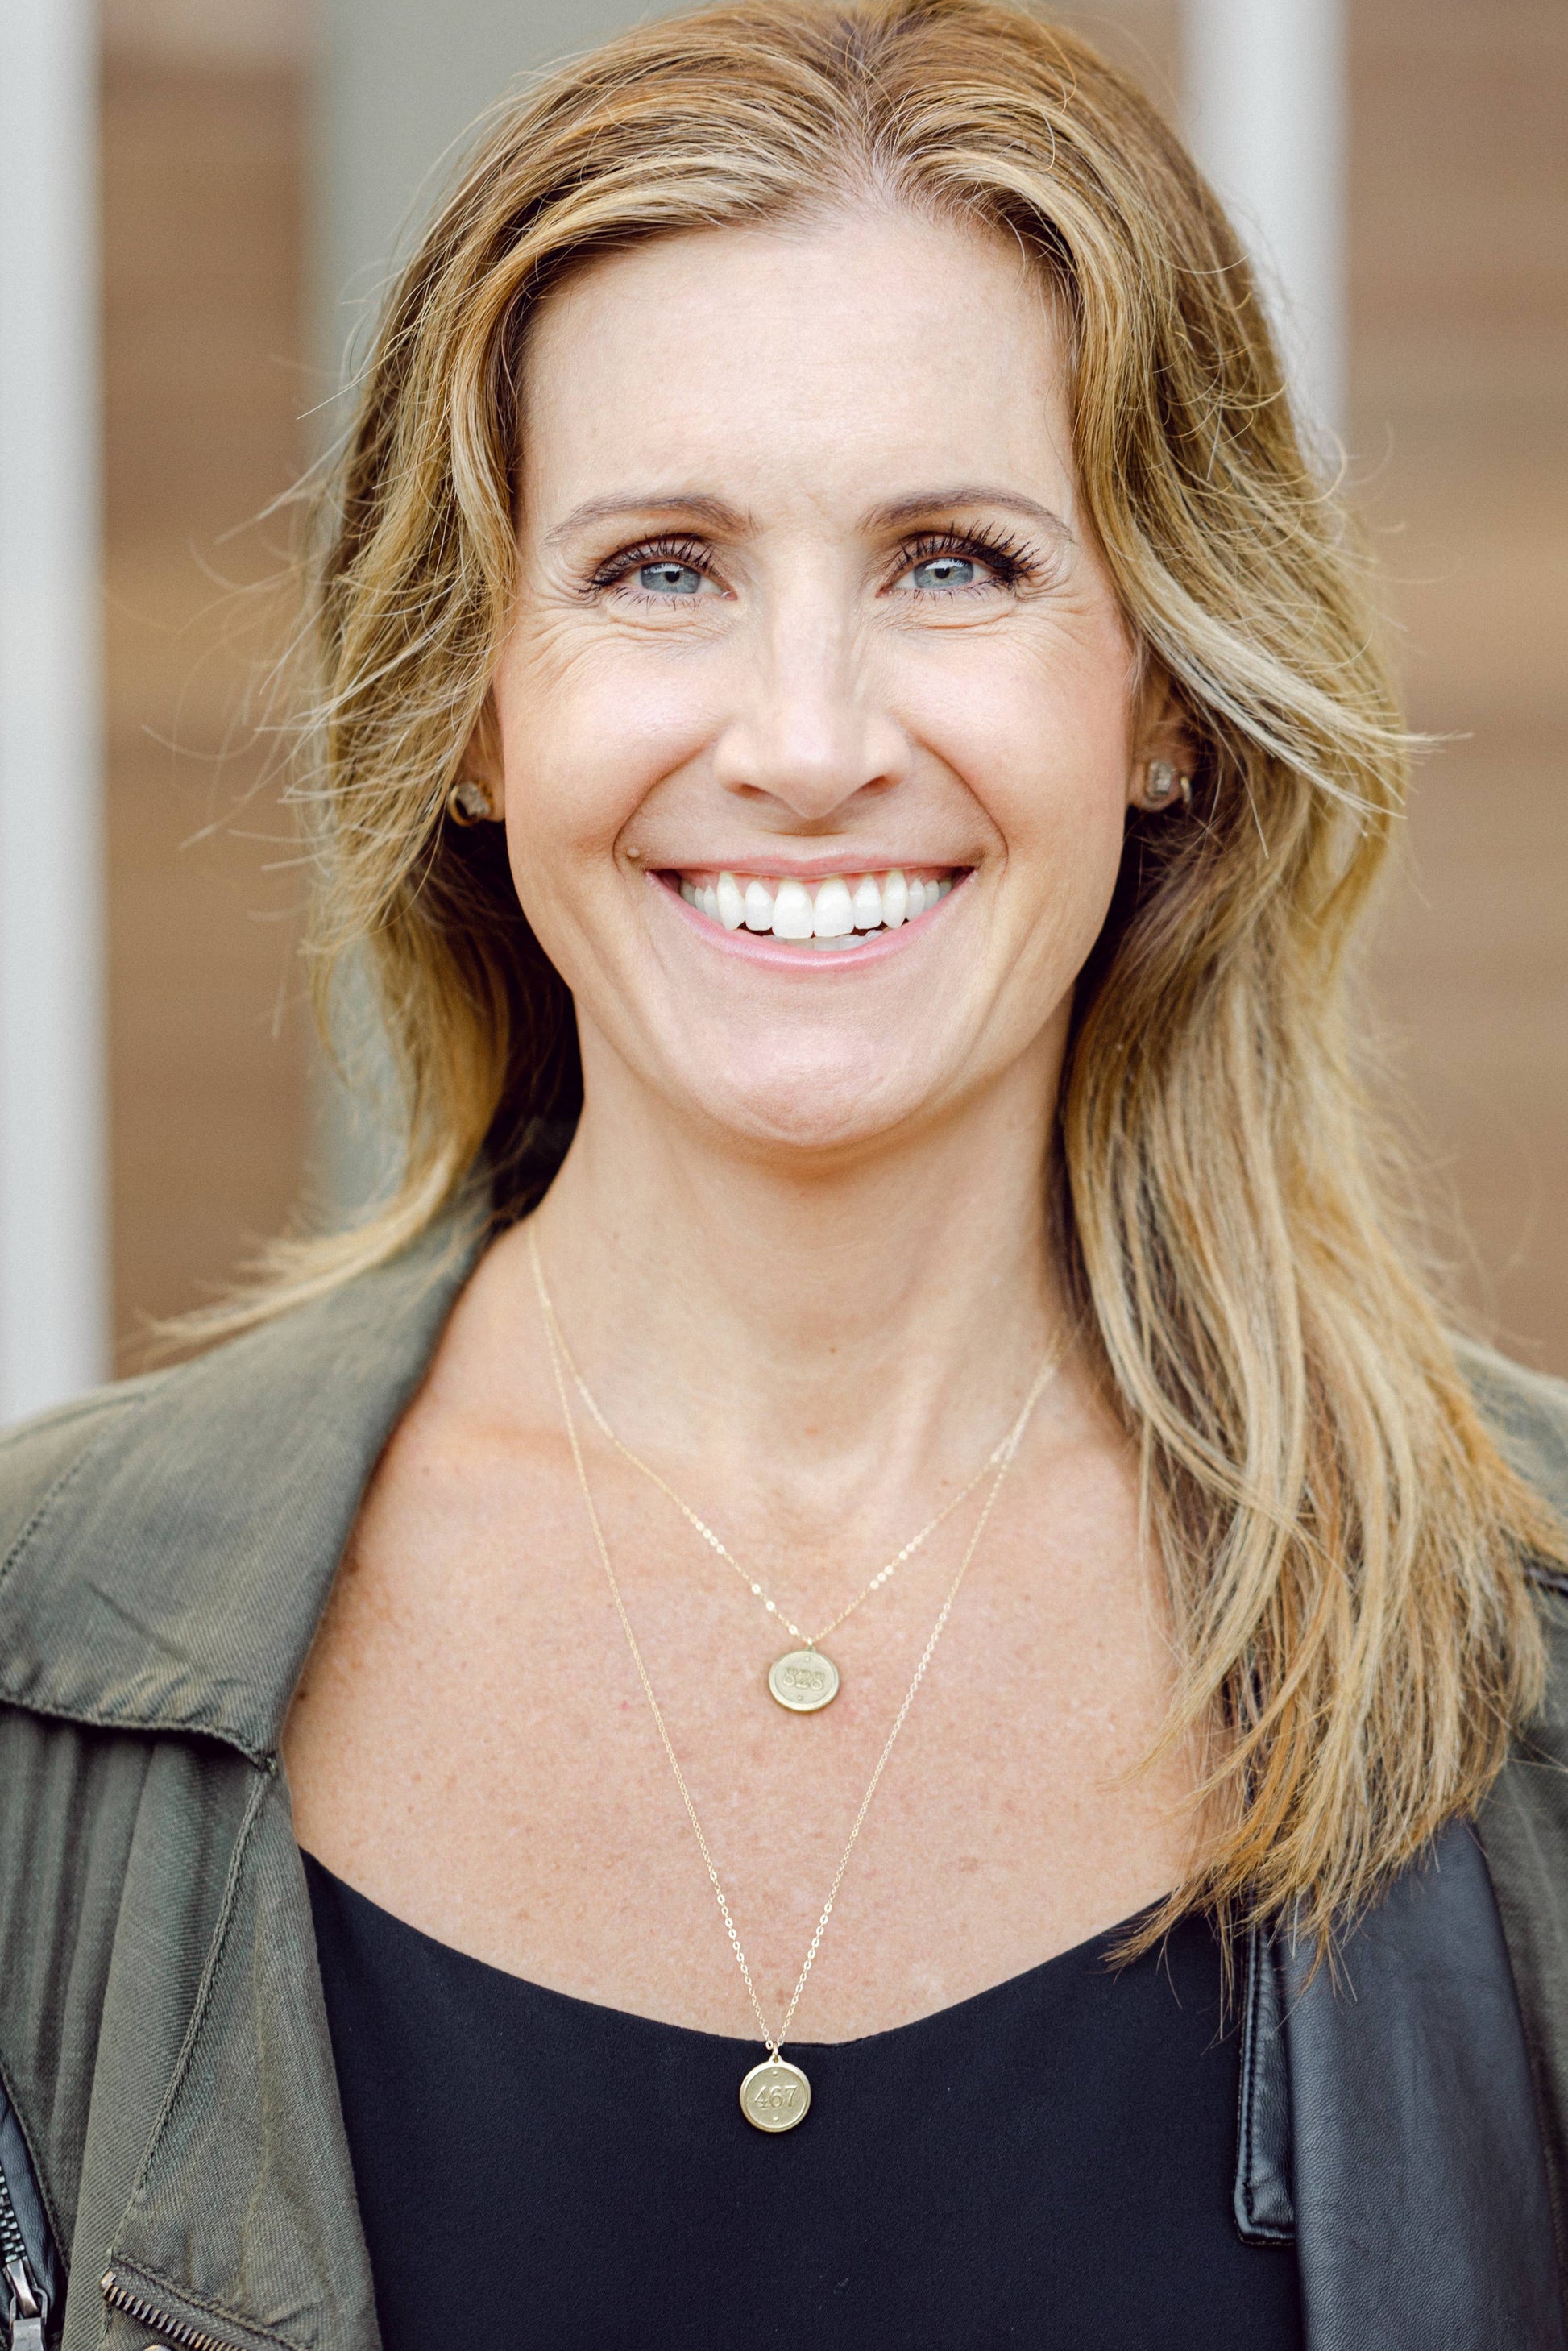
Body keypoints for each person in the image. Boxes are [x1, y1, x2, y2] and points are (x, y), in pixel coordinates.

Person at [1, 2, 1564, 2345]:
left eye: (954, 561)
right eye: (659, 570)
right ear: (472, 702)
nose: (808, 742)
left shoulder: (1528, 1653)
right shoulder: (41, 1662)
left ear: (1160, 695)